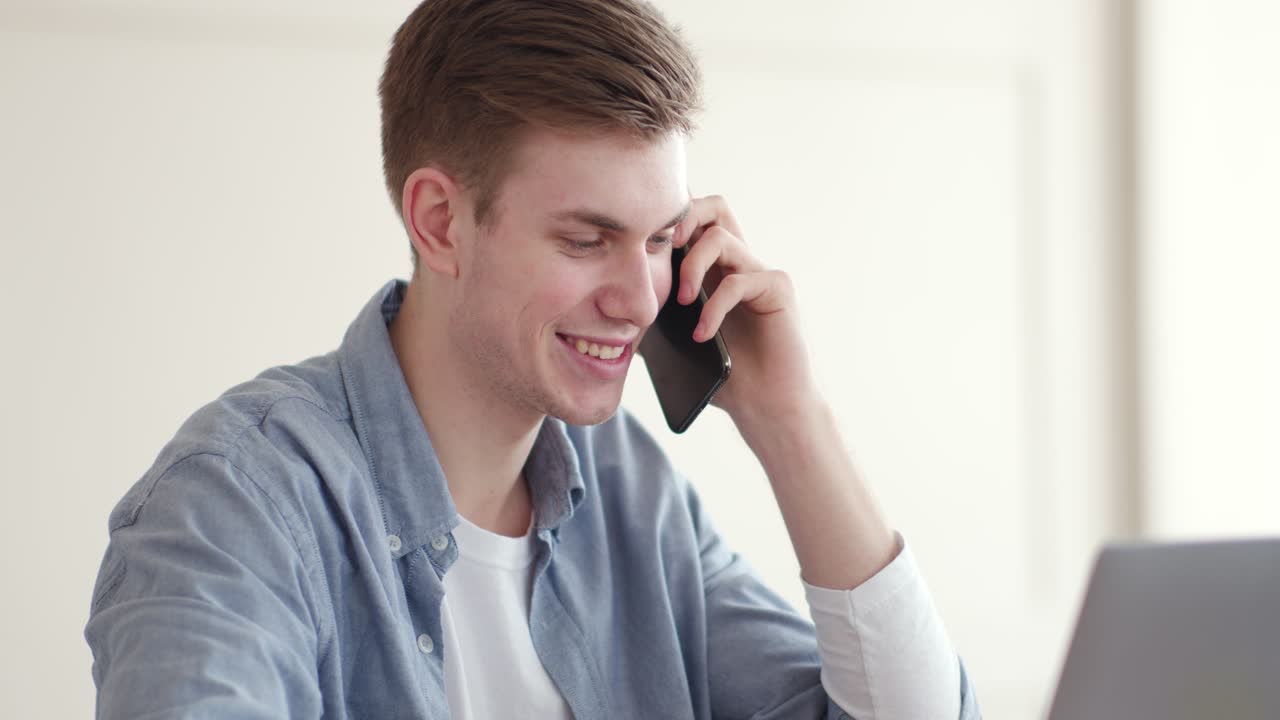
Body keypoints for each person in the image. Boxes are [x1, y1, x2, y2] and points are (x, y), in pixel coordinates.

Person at [85, 1, 982, 718]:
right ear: (440, 222)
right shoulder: (236, 503)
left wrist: (792, 422)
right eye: (588, 239)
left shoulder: (633, 498)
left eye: (663, 239)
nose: (640, 299)